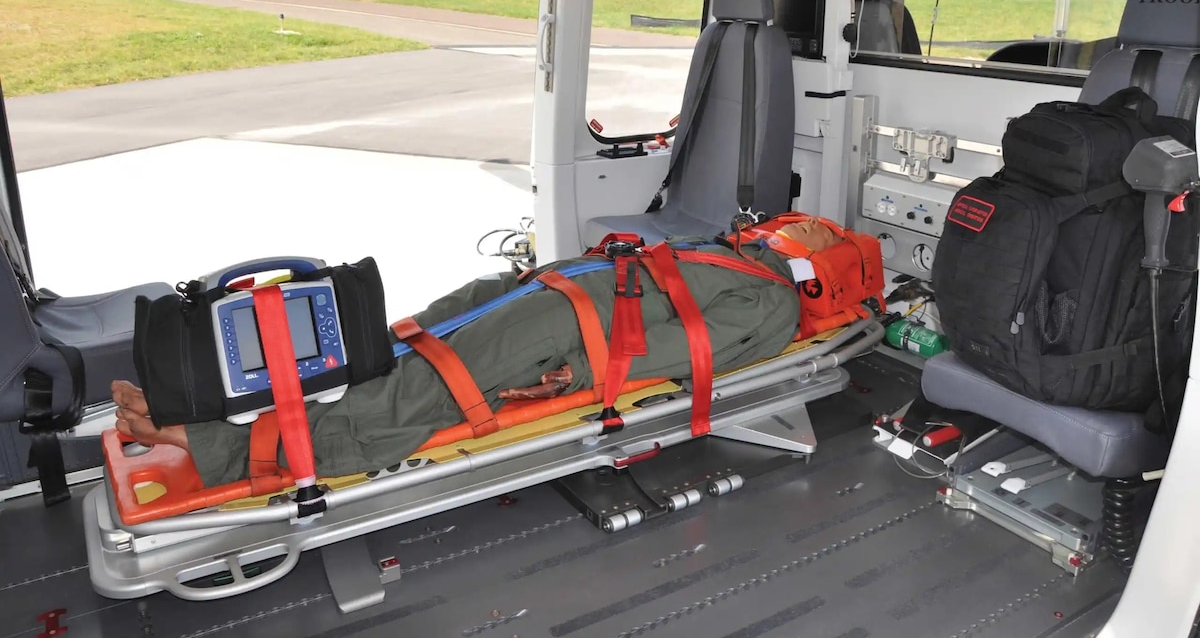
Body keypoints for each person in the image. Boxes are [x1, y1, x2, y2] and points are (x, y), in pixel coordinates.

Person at [112, 218, 848, 489]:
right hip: (543, 291)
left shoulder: (776, 302)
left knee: (420, 393)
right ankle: (212, 399)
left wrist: (579, 375)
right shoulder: (723, 248)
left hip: (565, 330)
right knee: (400, 342)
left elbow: (686, 346)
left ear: (822, 264)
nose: (799, 229)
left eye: (813, 233)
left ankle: (208, 442)